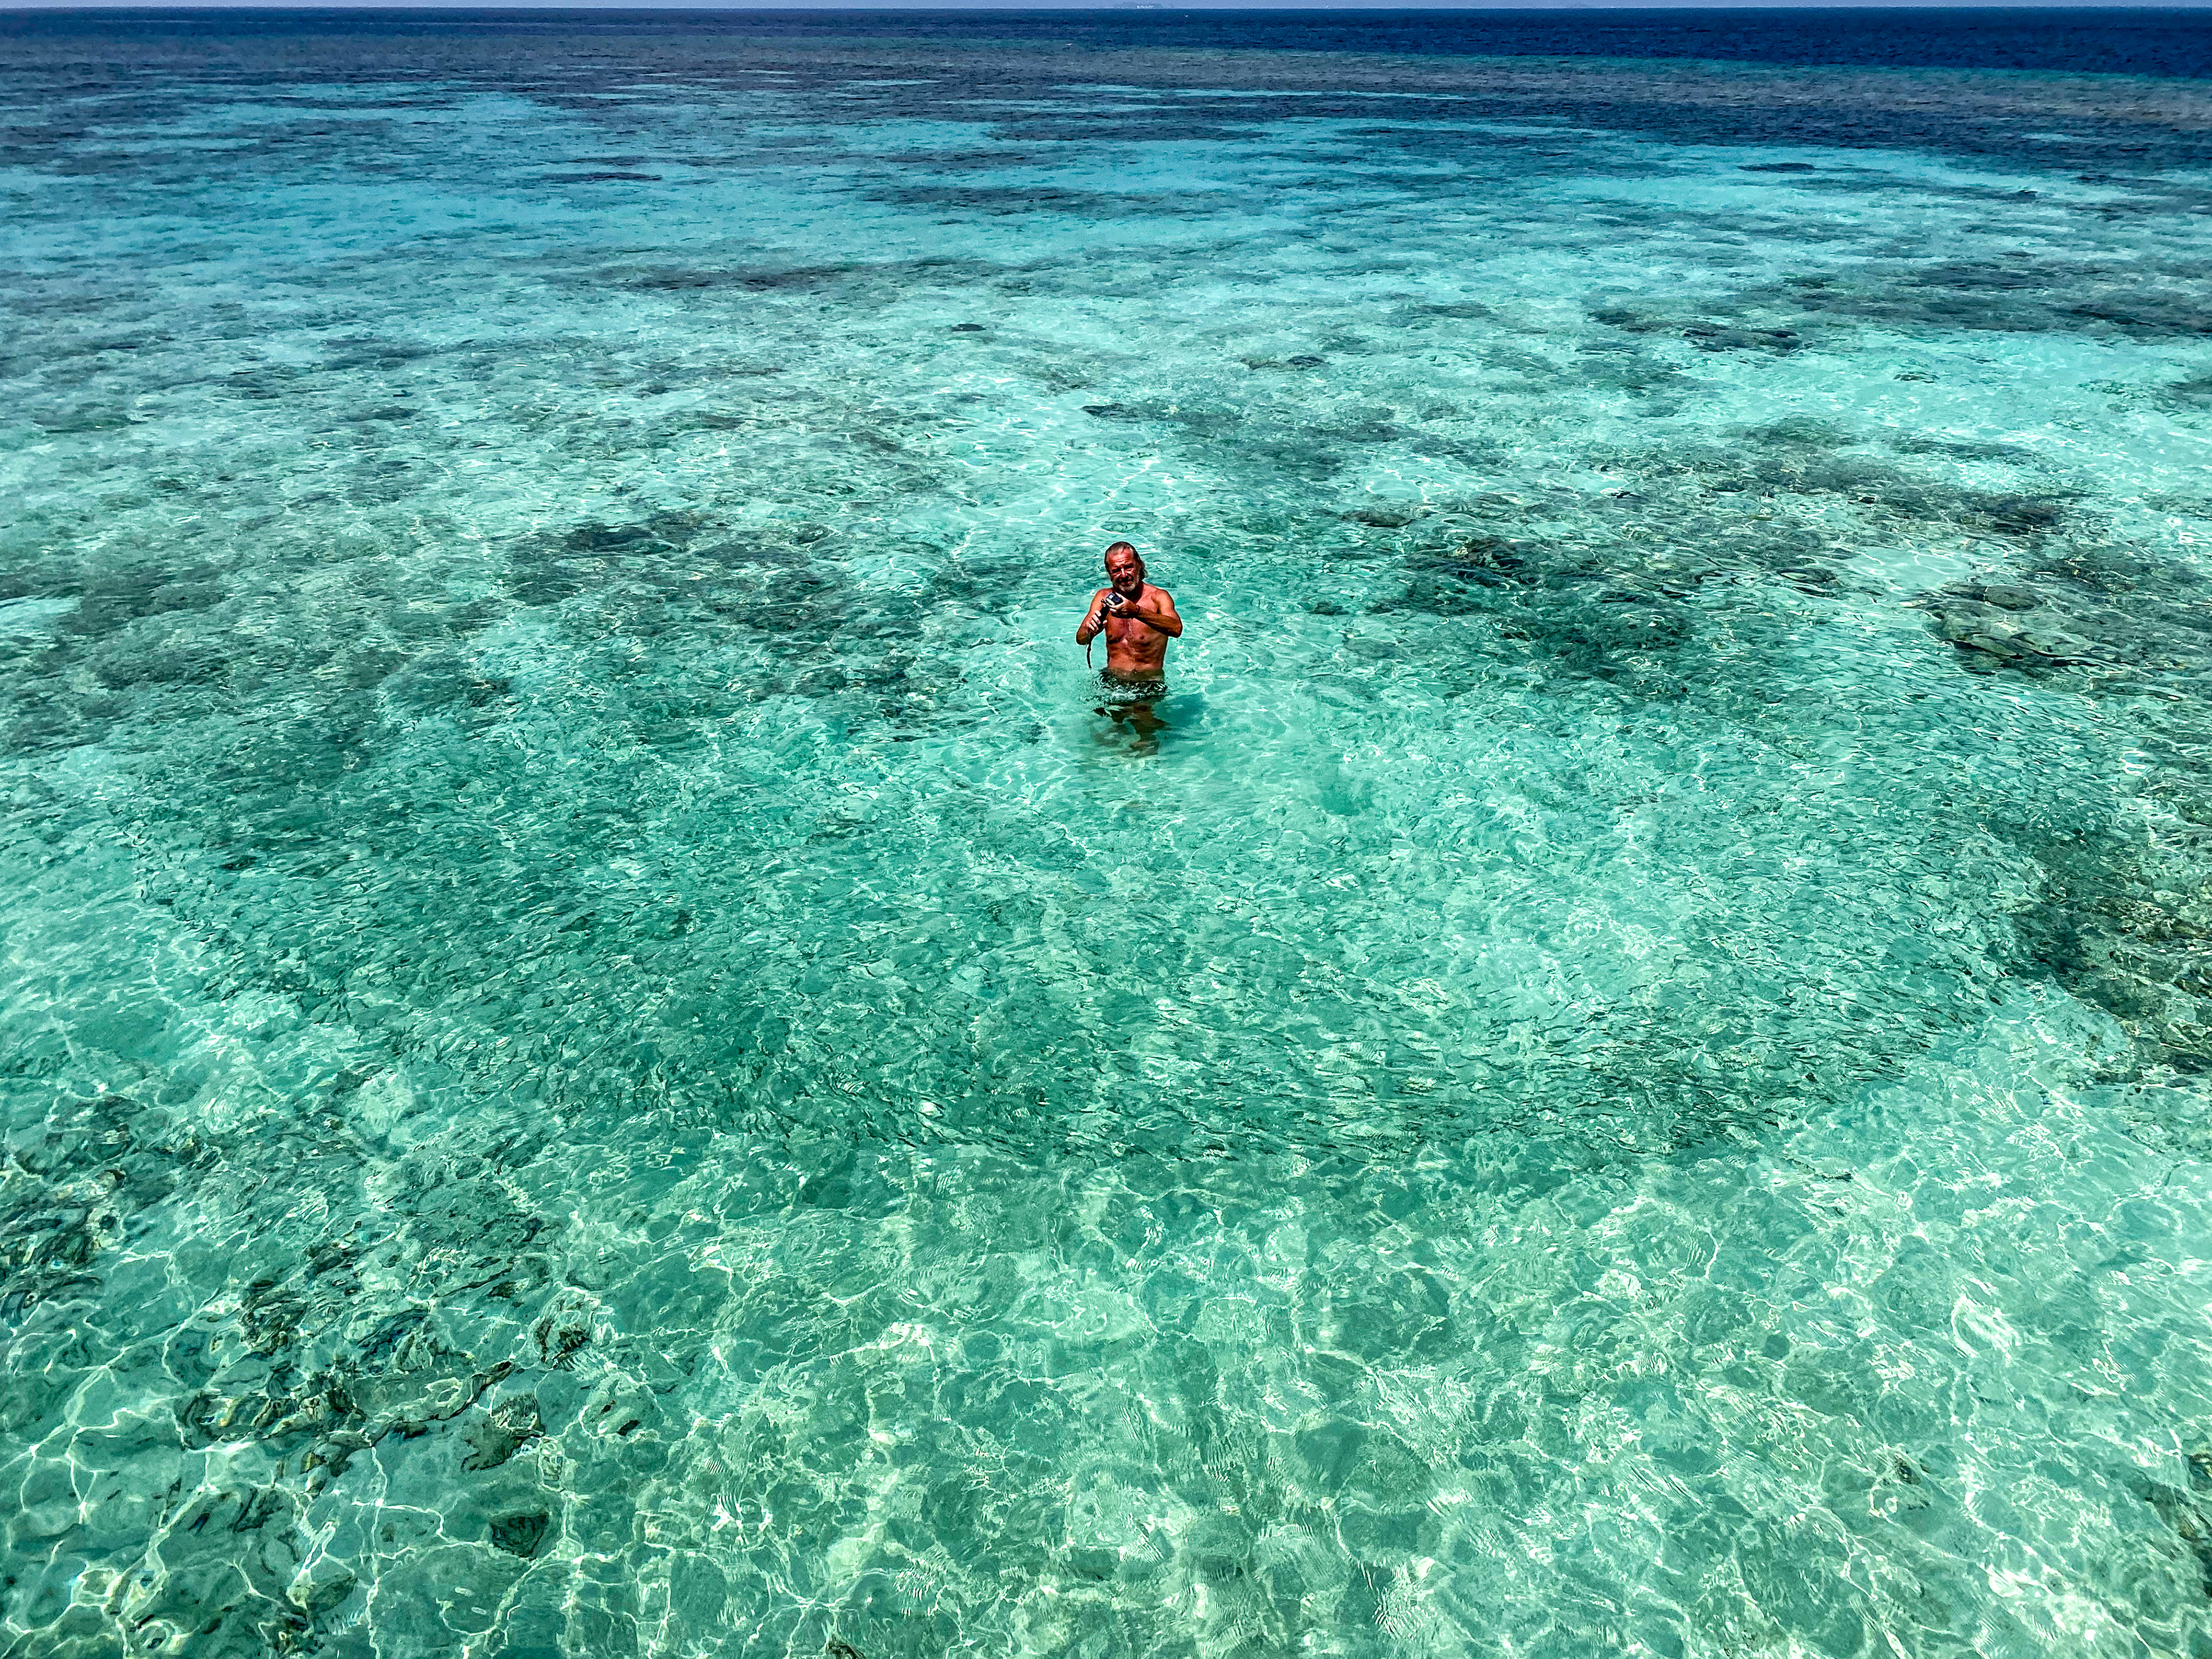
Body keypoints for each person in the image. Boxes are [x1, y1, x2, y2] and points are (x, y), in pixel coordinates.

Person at [1076, 542, 1182, 719]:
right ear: (1109, 573)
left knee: (1146, 736)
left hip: (1147, 685)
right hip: (1111, 682)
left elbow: (1176, 628)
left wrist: (1137, 612)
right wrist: (1091, 631)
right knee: (1110, 736)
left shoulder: (1158, 597)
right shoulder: (1103, 598)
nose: (1124, 575)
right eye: (1116, 570)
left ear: (1139, 565)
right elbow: (1080, 639)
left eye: (1128, 567)